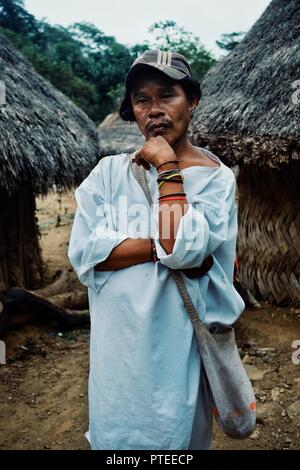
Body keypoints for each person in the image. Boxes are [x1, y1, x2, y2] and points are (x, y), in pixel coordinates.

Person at [68, 49, 245, 450]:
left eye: (167, 95)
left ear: (193, 100)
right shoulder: (108, 174)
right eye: (142, 100)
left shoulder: (216, 180)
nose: (154, 110)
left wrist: (167, 168)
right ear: (132, 109)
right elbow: (84, 252)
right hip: (116, 355)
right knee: (117, 443)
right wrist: (157, 247)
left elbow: (180, 249)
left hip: (176, 351)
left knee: (176, 439)